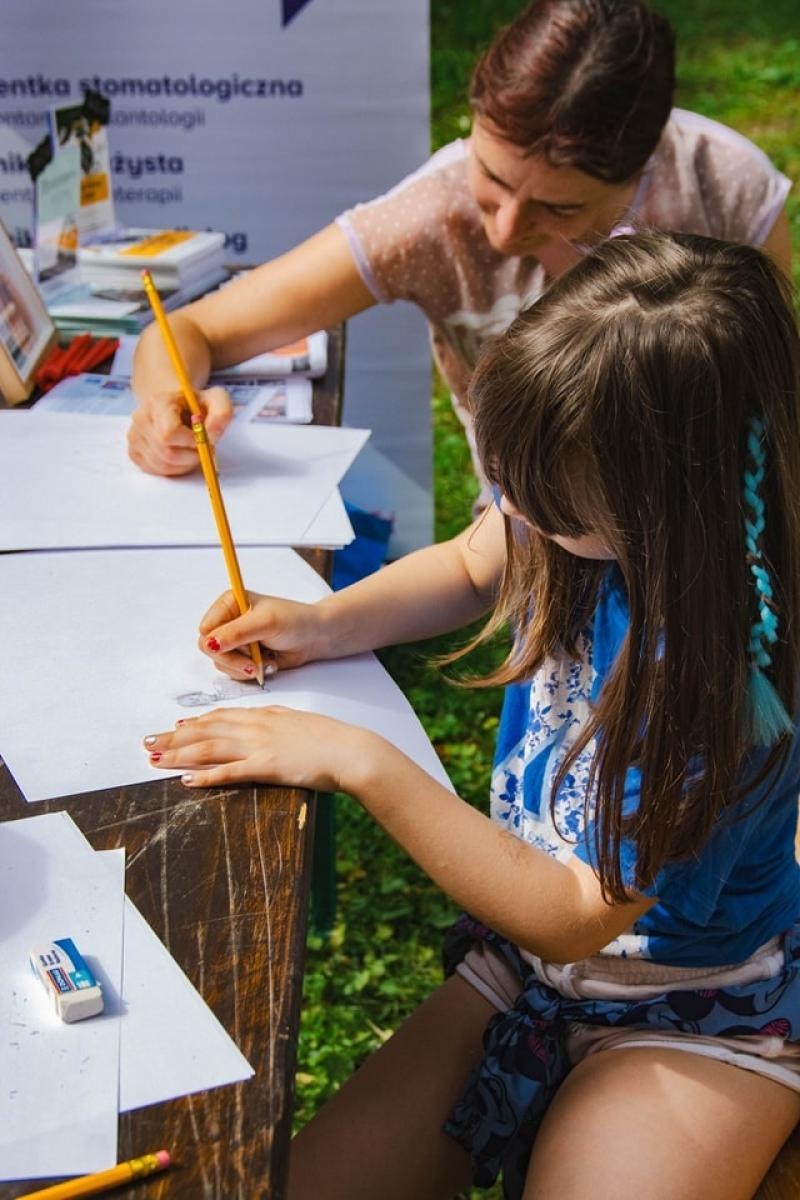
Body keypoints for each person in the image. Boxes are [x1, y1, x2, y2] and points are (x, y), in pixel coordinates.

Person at [143, 231, 800, 1199]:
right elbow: (465, 564)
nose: (514, 513)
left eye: (541, 498)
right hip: (528, 974)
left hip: (697, 1015)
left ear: (662, 508)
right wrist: (321, 624)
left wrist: (362, 762)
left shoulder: (707, 682)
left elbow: (576, 913)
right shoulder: (573, 513)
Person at [128, 0, 793, 505]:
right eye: (492, 179)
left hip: (714, 510)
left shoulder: (724, 187)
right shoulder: (432, 213)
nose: (505, 230)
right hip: (527, 530)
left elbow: (772, 389)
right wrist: (167, 410)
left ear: (644, 166)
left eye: (562, 210)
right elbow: (188, 330)